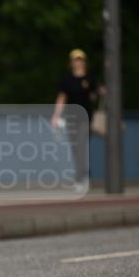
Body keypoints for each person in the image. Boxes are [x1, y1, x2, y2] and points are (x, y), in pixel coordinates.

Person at [51, 48, 102, 190]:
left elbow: (96, 94)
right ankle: (83, 175)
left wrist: (99, 92)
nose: (78, 62)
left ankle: (81, 178)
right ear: (71, 62)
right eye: (75, 60)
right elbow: (62, 97)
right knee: (75, 148)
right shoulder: (67, 79)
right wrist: (56, 116)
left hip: (86, 117)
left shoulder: (90, 78)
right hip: (71, 117)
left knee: (81, 146)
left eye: (80, 60)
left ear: (84, 62)